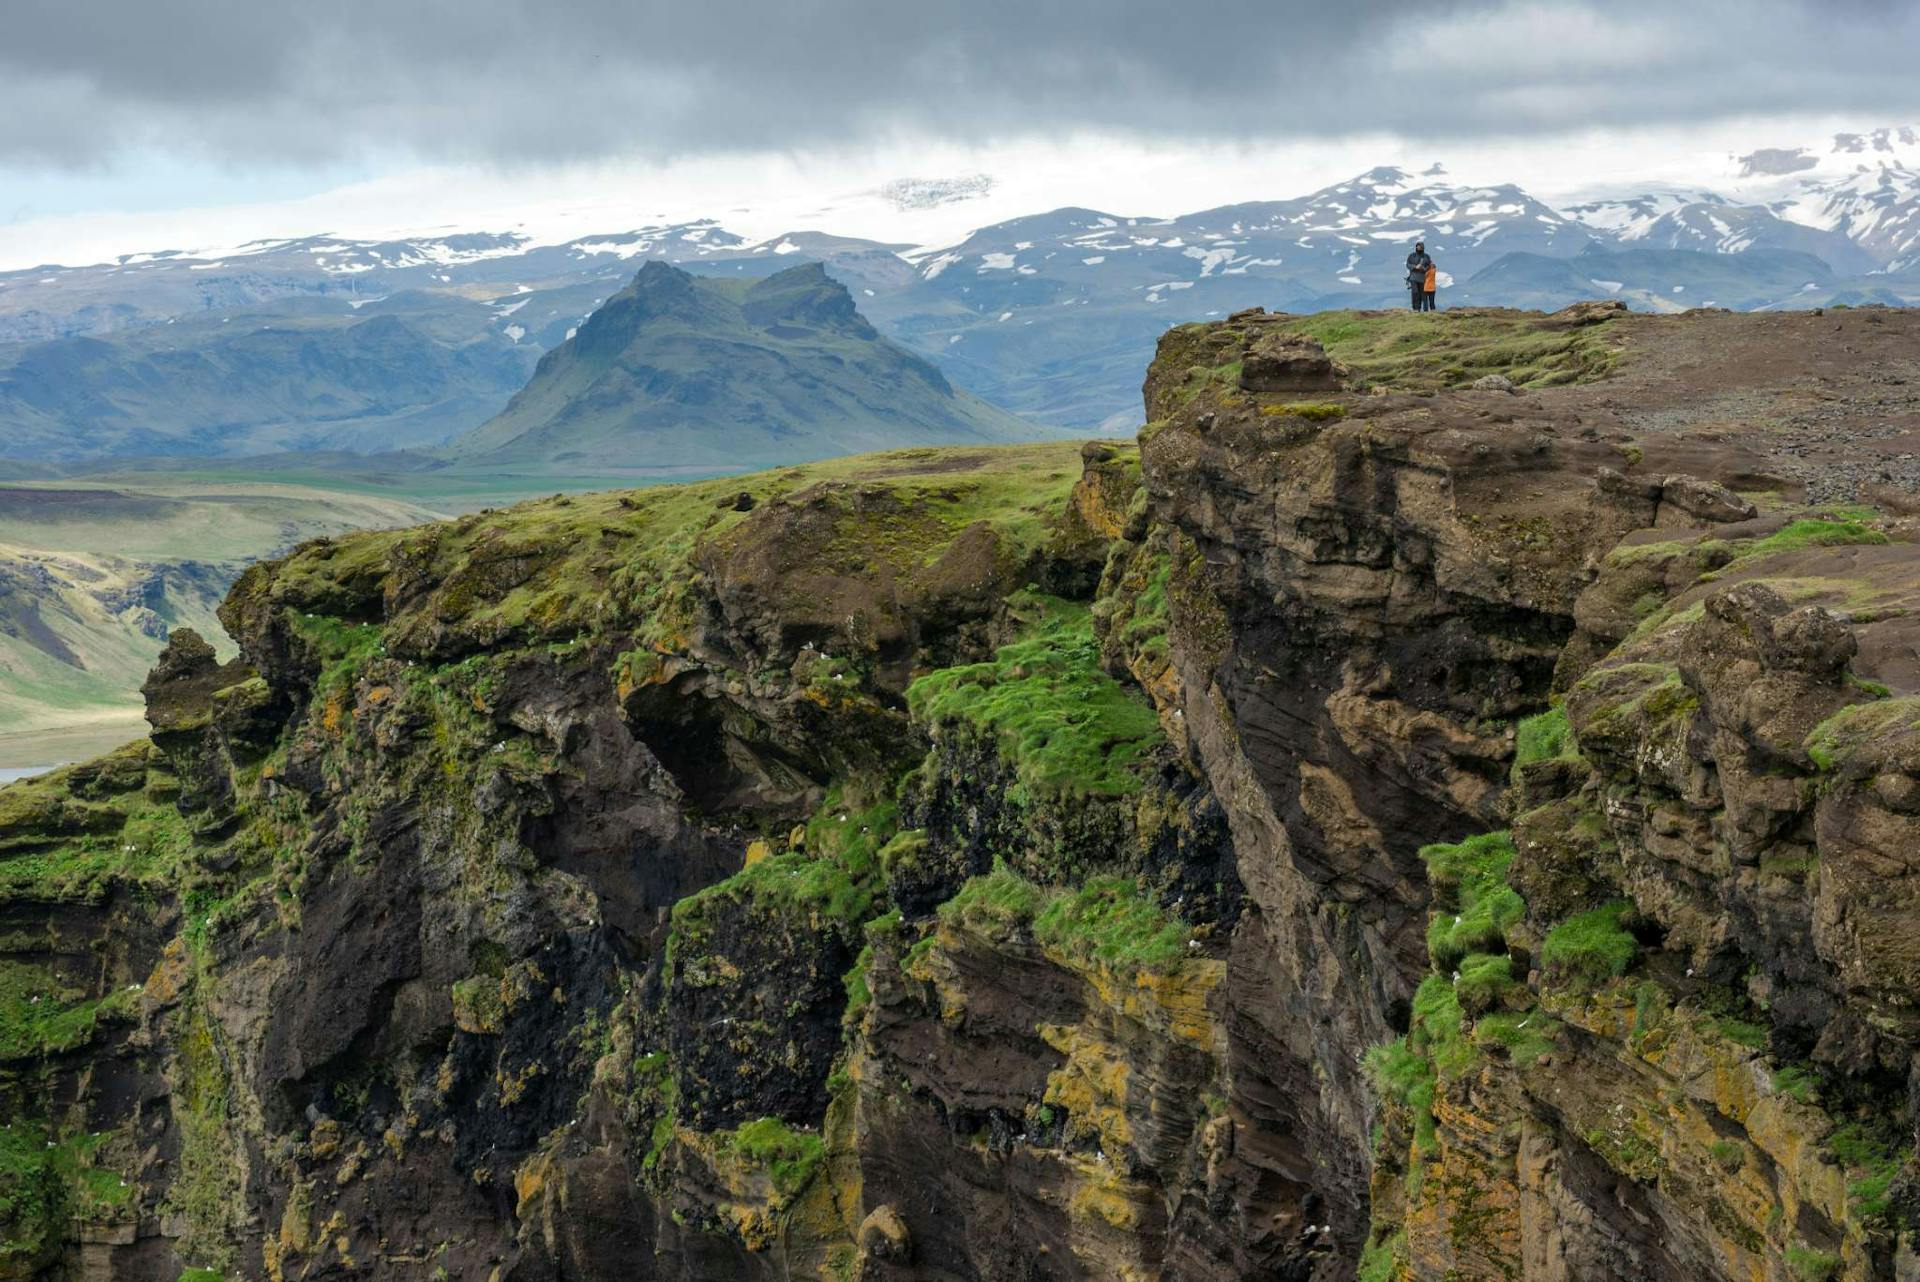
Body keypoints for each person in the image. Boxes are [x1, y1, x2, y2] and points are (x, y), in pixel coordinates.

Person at [1406, 241, 1434, 311]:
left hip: (1423, 278)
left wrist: (1423, 268)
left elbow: (1429, 266)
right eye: (1417, 246)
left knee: (1422, 294)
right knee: (1415, 292)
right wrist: (1415, 267)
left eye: (1420, 247)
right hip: (1413, 277)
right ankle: (1415, 308)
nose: (1418, 248)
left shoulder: (1426, 256)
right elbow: (1408, 264)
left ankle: (1419, 308)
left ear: (1423, 248)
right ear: (1416, 247)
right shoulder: (1412, 255)